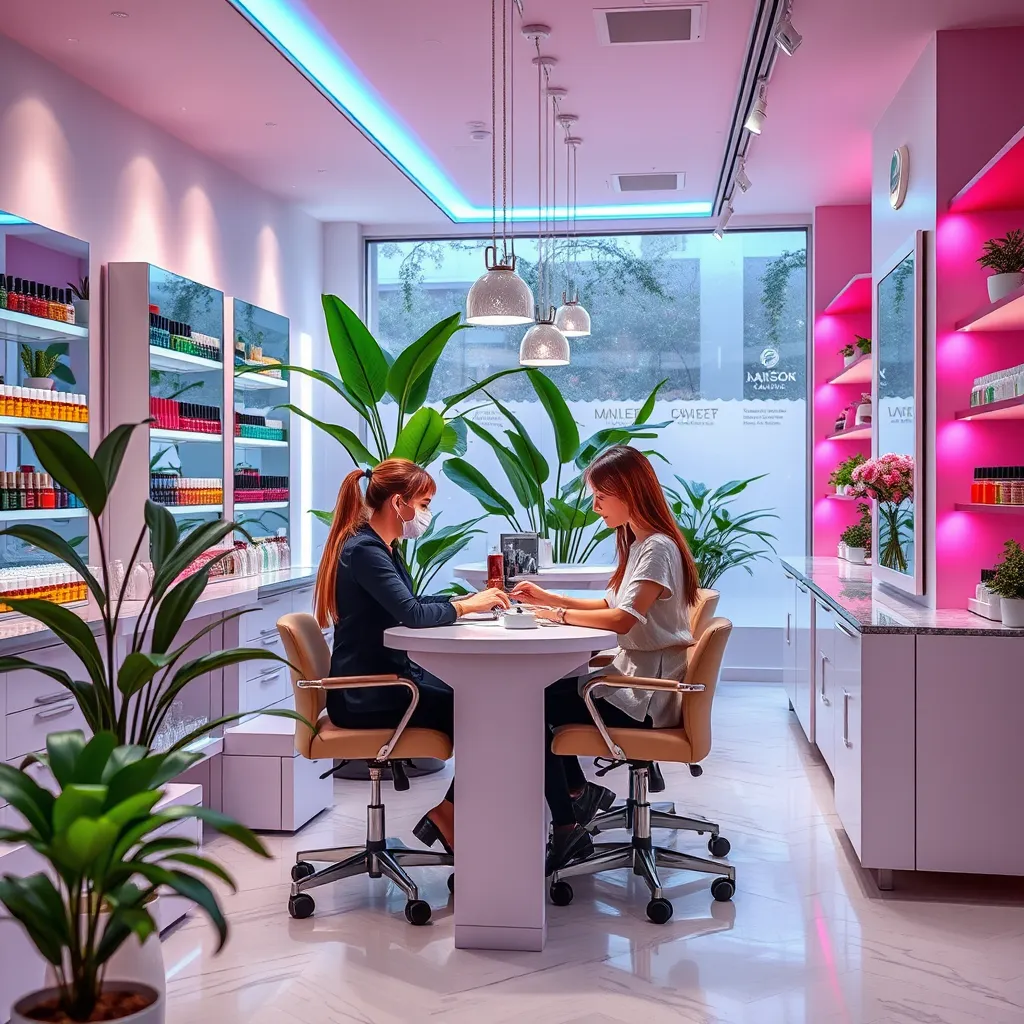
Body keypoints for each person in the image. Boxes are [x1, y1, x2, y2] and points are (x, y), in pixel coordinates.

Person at [510, 446, 699, 874]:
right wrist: (549, 599)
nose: (595, 507)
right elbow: (609, 604)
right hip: (636, 682)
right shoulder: (642, 543)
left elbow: (621, 619)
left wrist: (556, 616)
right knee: (540, 696)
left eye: (600, 497)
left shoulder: (657, 548)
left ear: (628, 492)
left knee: (527, 704)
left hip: (646, 698)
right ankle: (577, 796)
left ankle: (568, 821)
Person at [313, 458, 510, 854]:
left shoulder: (380, 546)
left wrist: (465, 600)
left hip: (385, 682)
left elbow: (411, 601)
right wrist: (468, 607)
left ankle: (456, 812)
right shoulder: (364, 551)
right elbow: (413, 614)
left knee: (487, 706)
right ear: (398, 503)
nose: (426, 514)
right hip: (368, 694)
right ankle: (451, 814)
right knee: (491, 717)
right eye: (424, 504)